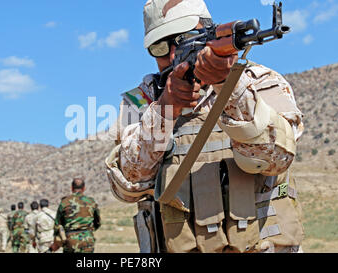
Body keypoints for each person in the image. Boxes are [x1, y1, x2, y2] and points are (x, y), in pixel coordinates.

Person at [105, 0, 304, 253]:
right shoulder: (141, 101)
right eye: (159, 46)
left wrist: (228, 86)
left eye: (183, 38)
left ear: (208, 30)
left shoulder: (260, 82)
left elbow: (275, 158)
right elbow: (127, 187)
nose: (173, 54)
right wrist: (166, 108)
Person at [49, 178, 101, 253]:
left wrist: (57, 239)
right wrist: (88, 231)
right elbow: (98, 222)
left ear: (72, 188)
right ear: (84, 188)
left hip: (70, 240)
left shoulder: (64, 202)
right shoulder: (91, 202)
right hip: (87, 239)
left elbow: (57, 224)